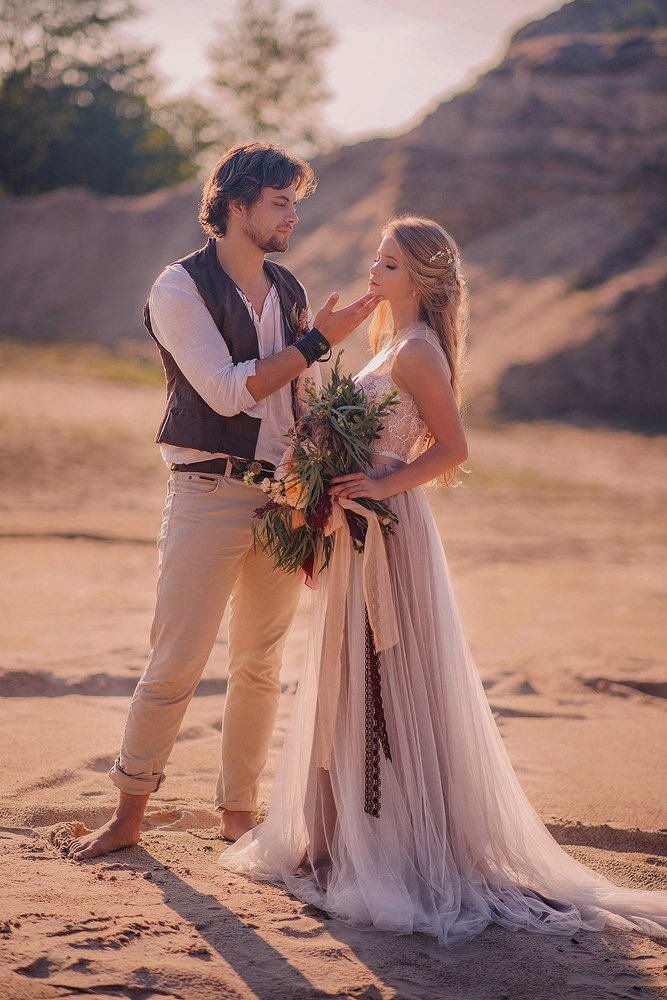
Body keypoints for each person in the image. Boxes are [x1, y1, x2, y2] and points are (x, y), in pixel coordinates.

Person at [219, 215, 667, 945]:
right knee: (349, 671)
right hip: (358, 526)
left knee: (387, 672)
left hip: (388, 531)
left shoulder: (418, 350)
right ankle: (346, 837)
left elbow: (453, 448)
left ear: (422, 281)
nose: (374, 271)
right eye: (377, 258)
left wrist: (377, 485)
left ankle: (393, 847)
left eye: (389, 265)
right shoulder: (389, 343)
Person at [64, 142, 380, 861]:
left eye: (295, 203)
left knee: (260, 664)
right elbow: (228, 391)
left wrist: (314, 481)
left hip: (282, 499)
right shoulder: (178, 286)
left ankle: (238, 816)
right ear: (236, 206)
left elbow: (299, 402)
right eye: (280, 202)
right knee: (176, 661)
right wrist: (317, 342)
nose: (293, 216)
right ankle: (128, 815)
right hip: (206, 490)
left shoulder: (290, 288)